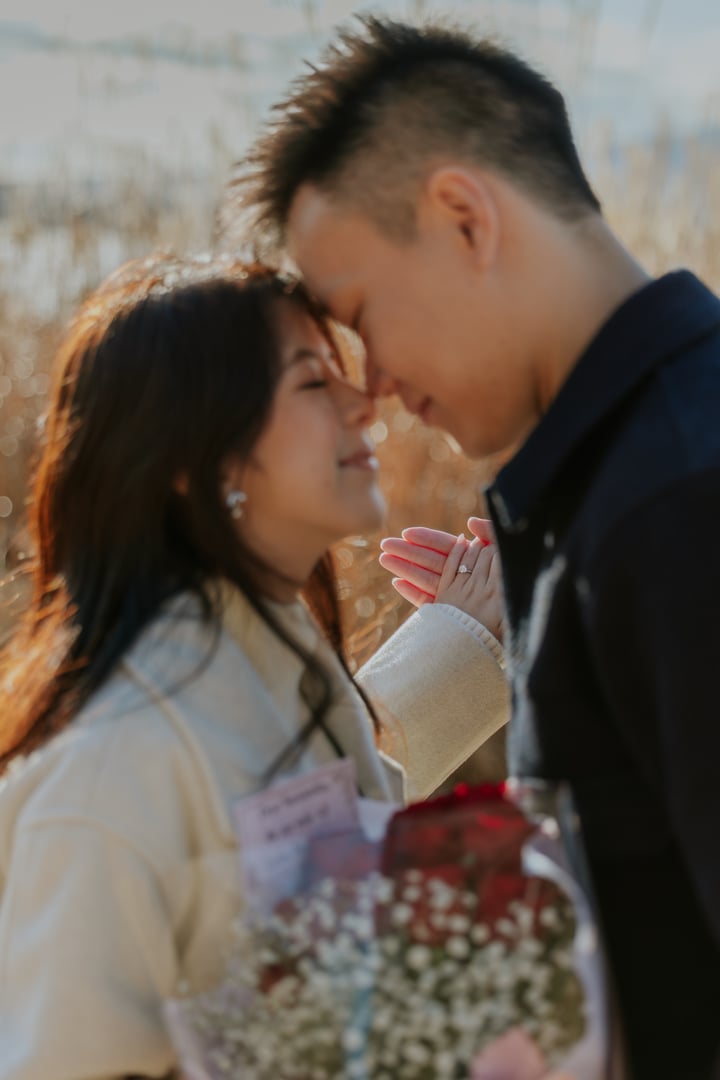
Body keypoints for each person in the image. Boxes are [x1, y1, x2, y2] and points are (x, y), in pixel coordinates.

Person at [232, 16, 720, 1079]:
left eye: (363, 315)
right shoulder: (611, 485)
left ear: (464, 217)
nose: (376, 388)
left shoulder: (680, 497)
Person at [0, 253, 509, 1079]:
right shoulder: (104, 776)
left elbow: (298, 819)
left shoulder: (257, 659)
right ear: (196, 459)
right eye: (314, 382)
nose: (365, 397)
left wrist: (470, 637)